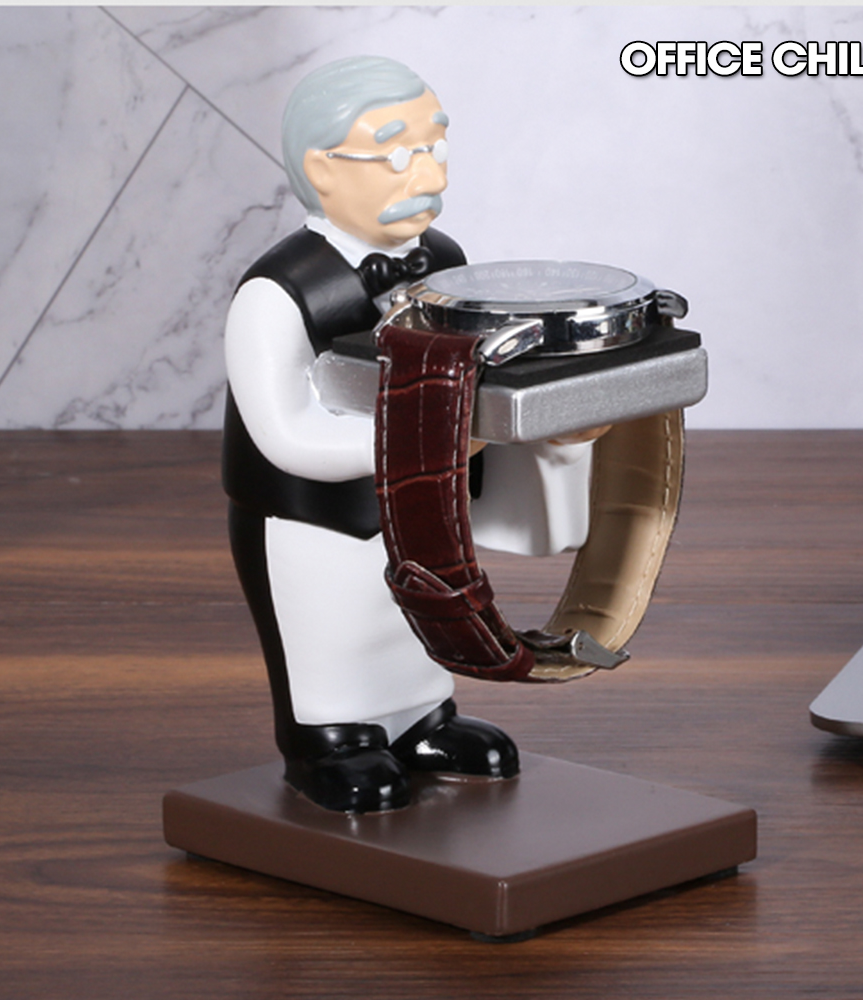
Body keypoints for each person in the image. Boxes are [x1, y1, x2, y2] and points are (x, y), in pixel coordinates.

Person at [223, 56, 597, 813]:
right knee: (332, 628)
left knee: (421, 611)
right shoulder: (276, 293)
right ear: (321, 169)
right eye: (396, 155)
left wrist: (543, 425)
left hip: (426, 504)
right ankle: (327, 739)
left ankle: (422, 718)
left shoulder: (446, 262)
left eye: (434, 147)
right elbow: (283, 435)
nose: (426, 172)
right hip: (314, 519)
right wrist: (426, 447)